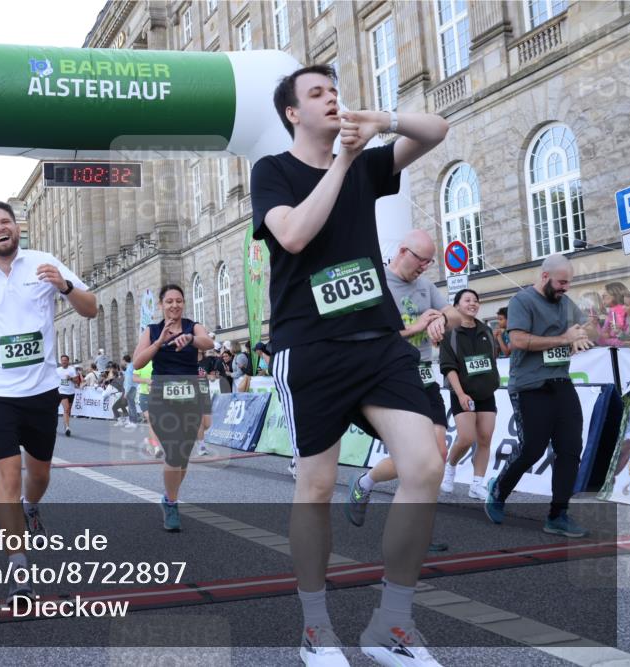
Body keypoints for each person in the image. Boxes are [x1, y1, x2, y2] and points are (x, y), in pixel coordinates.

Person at [250, 63, 448, 665]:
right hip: (309, 349)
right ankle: (316, 629)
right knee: (314, 487)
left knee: (425, 463)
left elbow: (437, 130)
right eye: (317, 93)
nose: (332, 99)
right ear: (293, 113)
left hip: (379, 341)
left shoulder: (367, 163)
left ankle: (391, 624)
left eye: (335, 91)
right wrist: (339, 160)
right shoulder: (273, 171)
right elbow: (293, 237)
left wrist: (382, 122)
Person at [0, 200, 96, 604]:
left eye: (5, 221)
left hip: (41, 389)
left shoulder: (44, 262)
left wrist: (63, 285)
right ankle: (18, 566)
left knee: (39, 476)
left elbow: (91, 308)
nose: (0, 228)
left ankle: (31, 505)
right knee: (7, 478)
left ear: (16, 229)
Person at [345, 229, 460, 540]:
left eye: (429, 262)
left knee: (435, 454)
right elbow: (368, 336)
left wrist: (441, 320)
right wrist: (415, 327)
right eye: (421, 260)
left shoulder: (424, 287)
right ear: (402, 252)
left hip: (424, 374)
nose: (424, 267)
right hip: (392, 376)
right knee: (415, 454)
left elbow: (453, 311)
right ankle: (365, 483)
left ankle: (420, 527)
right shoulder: (377, 284)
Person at [486, 254, 598, 538]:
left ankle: (558, 514)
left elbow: (587, 327)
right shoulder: (522, 301)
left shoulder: (565, 303)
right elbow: (519, 340)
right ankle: (499, 490)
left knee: (571, 448)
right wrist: (564, 339)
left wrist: (583, 333)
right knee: (532, 449)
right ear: (545, 276)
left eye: (569, 283)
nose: (565, 288)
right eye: (562, 282)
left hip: (561, 383)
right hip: (530, 386)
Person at [131, 284, 213, 531]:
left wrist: (190, 339)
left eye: (178, 301)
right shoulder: (153, 330)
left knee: (184, 455)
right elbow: (137, 362)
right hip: (161, 396)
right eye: (169, 301)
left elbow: (208, 342)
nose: (174, 305)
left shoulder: (192, 326)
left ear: (183, 303)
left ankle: (169, 497)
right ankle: (172, 504)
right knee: (174, 451)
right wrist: (159, 343)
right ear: (161, 305)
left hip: (190, 396)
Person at [439, 289, 501, 499]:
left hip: (486, 393)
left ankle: (476, 484)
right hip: (462, 393)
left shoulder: (486, 330)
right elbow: (449, 367)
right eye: (467, 300)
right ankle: (450, 468)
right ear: (456, 306)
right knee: (466, 438)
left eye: (476, 300)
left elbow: (491, 359)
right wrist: (461, 393)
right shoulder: (450, 333)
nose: (473, 303)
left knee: (485, 439)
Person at [596, 281, 630, 347]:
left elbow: (628, 342)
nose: (602, 299)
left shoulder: (629, 312)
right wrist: (595, 324)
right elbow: (601, 341)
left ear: (615, 295)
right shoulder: (611, 314)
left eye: (604, 296)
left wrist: (607, 341)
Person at [55, 354, 80, 436]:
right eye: (62, 360)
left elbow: (77, 381)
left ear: (68, 361)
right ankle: (67, 428)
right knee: (66, 409)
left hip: (71, 392)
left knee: (68, 411)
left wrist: (71, 378)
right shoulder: (57, 370)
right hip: (62, 392)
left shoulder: (72, 369)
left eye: (65, 360)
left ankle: (65, 424)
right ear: (61, 361)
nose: (64, 362)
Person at [122, 354, 139, 429]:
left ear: (124, 360)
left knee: (131, 405)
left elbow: (129, 381)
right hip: (133, 387)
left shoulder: (129, 368)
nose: (122, 362)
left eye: (122, 360)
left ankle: (133, 422)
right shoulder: (131, 366)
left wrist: (126, 392)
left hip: (130, 388)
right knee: (131, 405)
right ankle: (131, 420)